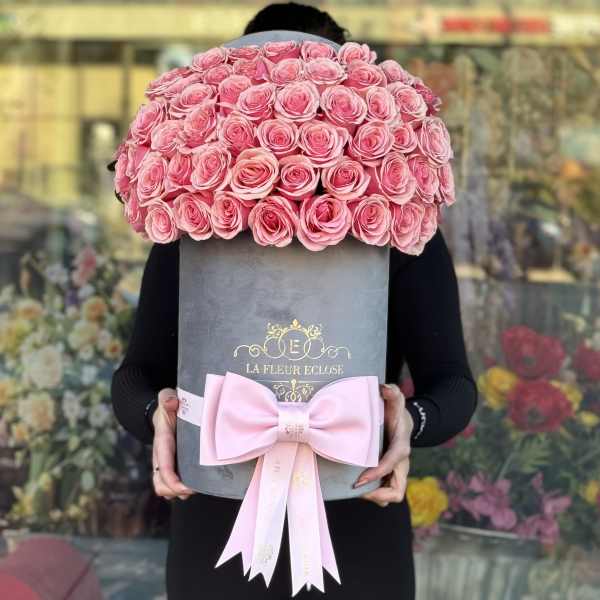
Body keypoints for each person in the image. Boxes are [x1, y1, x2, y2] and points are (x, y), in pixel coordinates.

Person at [110, 4, 478, 599]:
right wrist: (158, 415)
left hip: (360, 526)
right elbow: (135, 377)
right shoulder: (192, 224)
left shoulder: (400, 225)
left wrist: (410, 422)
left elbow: (453, 387)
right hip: (215, 530)